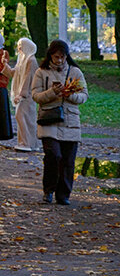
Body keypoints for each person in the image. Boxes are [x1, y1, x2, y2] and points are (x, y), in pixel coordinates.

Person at [31, 39, 89, 205]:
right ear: (50, 55)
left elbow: (84, 96)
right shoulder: (41, 72)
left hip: (70, 121)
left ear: (66, 56)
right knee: (53, 155)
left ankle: (63, 195)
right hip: (49, 119)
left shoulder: (75, 72)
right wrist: (52, 93)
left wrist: (69, 95)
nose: (59, 60)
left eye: (62, 57)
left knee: (68, 160)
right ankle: (48, 191)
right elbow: (36, 96)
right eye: (56, 57)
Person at [9, 37, 40, 152]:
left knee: (23, 116)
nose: (19, 47)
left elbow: (29, 78)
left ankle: (27, 143)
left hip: (27, 94)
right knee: (22, 117)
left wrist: (22, 94)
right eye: (18, 45)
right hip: (22, 93)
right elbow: (14, 73)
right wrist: (5, 65)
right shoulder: (22, 58)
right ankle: (25, 142)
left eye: (21, 45)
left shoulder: (31, 60)